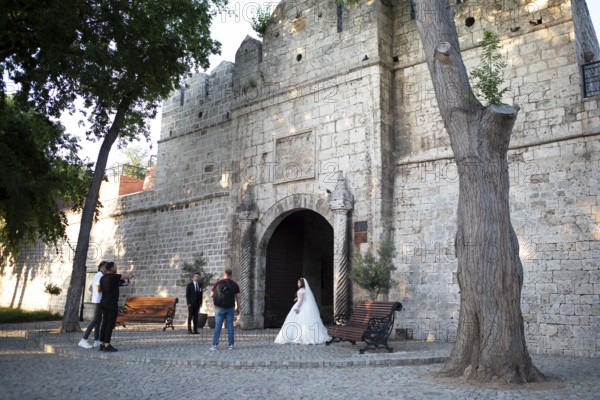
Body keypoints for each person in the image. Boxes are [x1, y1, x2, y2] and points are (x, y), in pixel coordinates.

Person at [274, 277, 331, 345]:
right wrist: (297, 298)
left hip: (301, 306)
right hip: (306, 307)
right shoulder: (305, 290)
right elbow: (303, 298)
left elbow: (301, 300)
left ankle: (296, 336)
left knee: (297, 321)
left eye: (298, 282)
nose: (297, 283)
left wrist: (297, 307)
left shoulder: (301, 290)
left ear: (301, 283)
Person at [98, 262, 138, 352]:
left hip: (103, 302)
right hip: (111, 303)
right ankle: (107, 344)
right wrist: (132, 275)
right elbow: (125, 276)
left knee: (104, 322)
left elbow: (106, 287)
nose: (116, 268)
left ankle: (102, 344)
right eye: (115, 267)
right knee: (110, 324)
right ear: (112, 268)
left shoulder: (102, 278)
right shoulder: (113, 276)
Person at [78, 261, 107, 349]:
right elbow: (98, 288)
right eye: (106, 267)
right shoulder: (100, 276)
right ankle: (83, 340)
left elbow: (89, 288)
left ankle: (97, 340)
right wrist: (106, 291)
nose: (107, 269)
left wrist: (94, 295)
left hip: (97, 300)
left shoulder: (96, 275)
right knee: (95, 321)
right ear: (101, 267)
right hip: (99, 301)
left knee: (98, 321)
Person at [210, 268, 240, 351]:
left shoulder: (218, 283)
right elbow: (238, 297)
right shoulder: (234, 284)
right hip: (230, 308)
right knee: (230, 326)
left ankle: (215, 345)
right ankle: (231, 345)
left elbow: (211, 295)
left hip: (219, 308)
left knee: (218, 326)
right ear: (231, 275)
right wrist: (238, 307)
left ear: (224, 274)